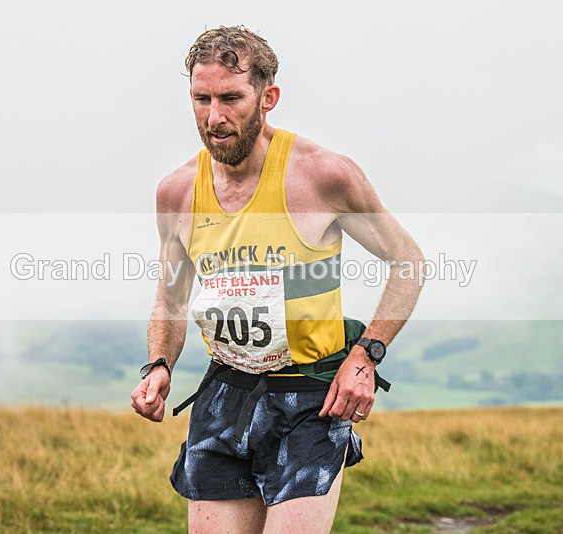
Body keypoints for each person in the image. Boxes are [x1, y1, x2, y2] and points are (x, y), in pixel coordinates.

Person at [130, 26, 424, 533]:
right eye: (201, 99)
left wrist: (366, 356)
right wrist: (159, 364)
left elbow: (409, 262)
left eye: (230, 98)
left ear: (268, 98)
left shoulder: (322, 176)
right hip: (226, 393)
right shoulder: (177, 192)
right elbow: (171, 298)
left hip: (311, 395)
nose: (213, 117)